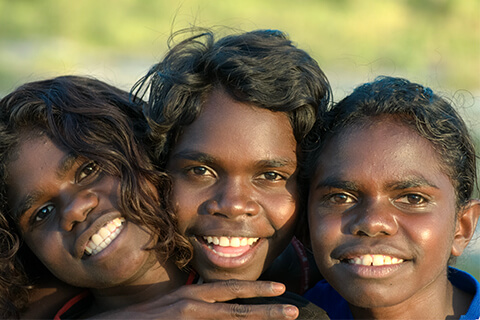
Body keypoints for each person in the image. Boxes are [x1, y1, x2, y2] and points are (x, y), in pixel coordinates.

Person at [0, 75, 305, 320]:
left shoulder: (283, 302)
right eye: (41, 213)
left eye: (90, 169)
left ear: (146, 148)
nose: (75, 209)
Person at [132, 28, 331, 295]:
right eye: (200, 171)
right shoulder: (121, 281)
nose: (233, 205)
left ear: (306, 185)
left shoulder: (337, 285)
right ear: (160, 169)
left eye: (270, 176)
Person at [302, 76, 480, 319]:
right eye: (341, 197)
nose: (372, 222)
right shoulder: (282, 311)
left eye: (413, 199)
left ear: (462, 227)